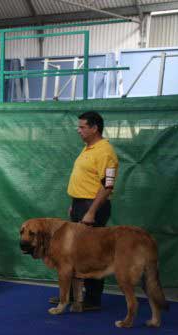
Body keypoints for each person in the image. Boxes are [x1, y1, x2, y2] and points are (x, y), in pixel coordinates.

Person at [49, 111, 119, 311]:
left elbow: (107, 186)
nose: (78, 130)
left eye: (82, 127)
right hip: (80, 204)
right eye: (78, 127)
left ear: (95, 128)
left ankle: (92, 300)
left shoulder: (105, 152)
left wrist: (91, 212)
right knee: (73, 253)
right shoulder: (88, 148)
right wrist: (75, 202)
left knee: (92, 254)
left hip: (93, 207)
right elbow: (86, 180)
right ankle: (70, 296)